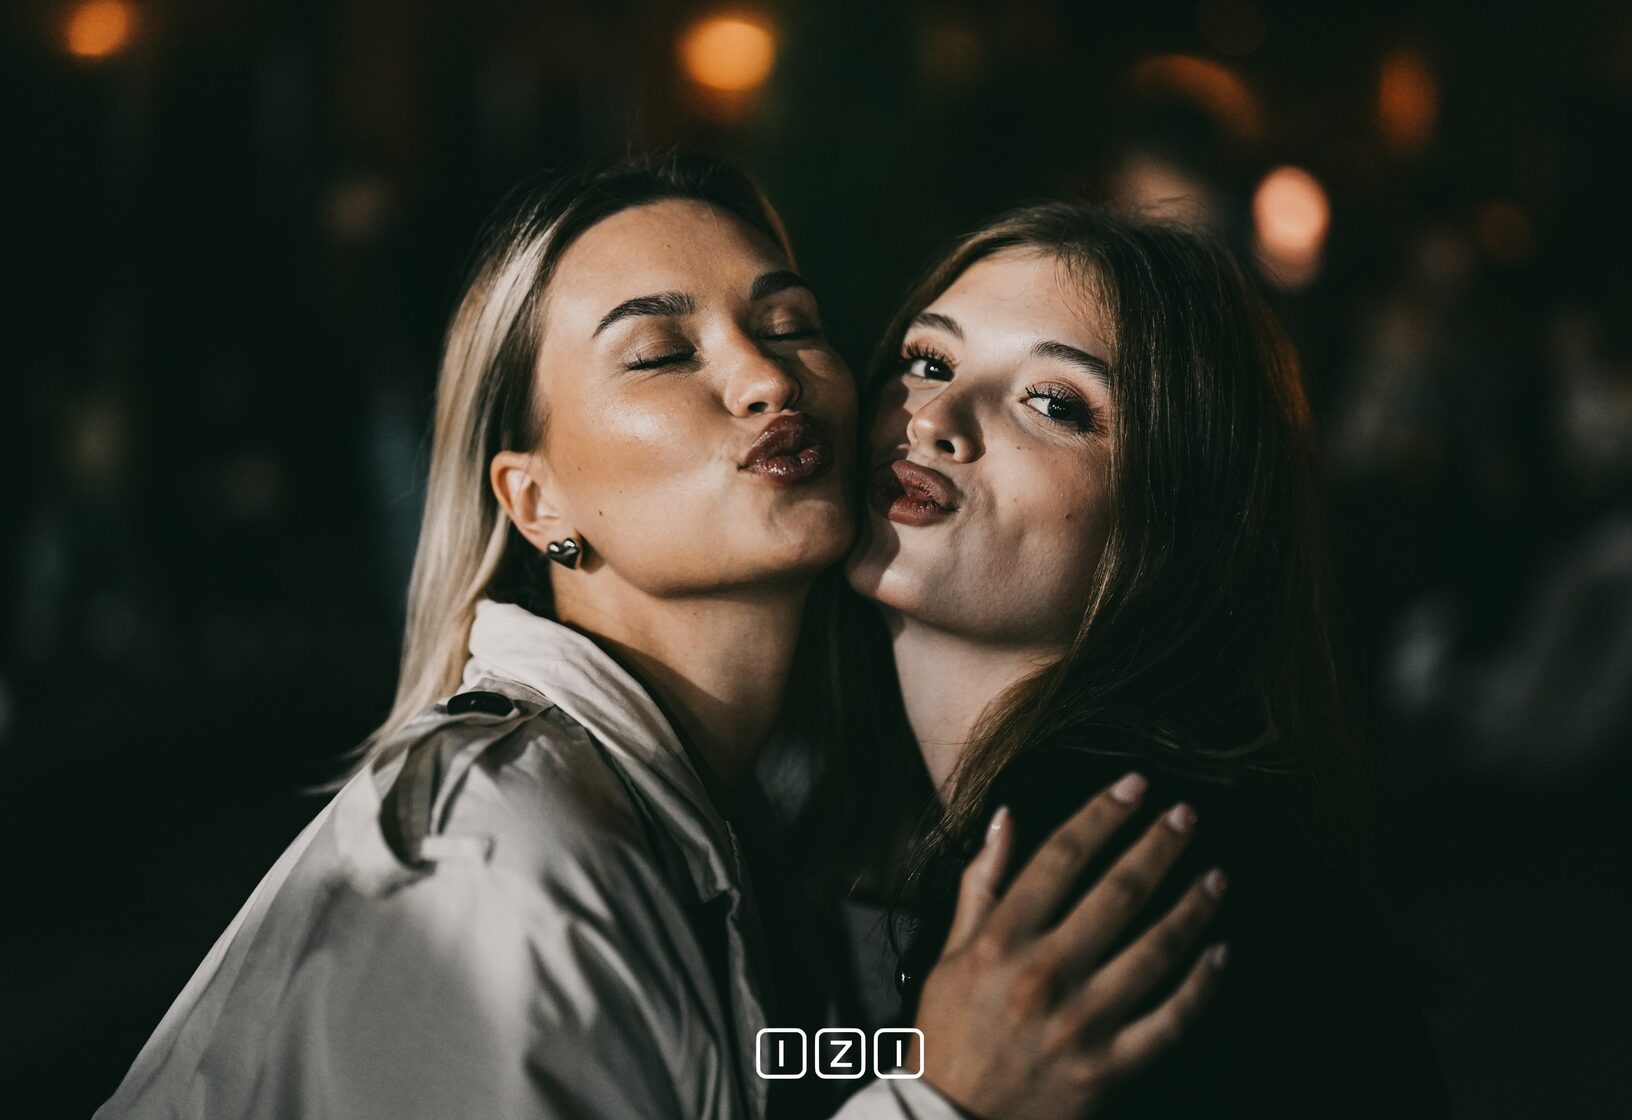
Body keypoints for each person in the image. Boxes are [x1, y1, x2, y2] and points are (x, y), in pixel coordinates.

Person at [96, 157, 1225, 1120]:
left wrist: (910, 1056)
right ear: (536, 501)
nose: (766, 377)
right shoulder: (494, 854)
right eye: (659, 353)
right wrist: (939, 1101)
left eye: (790, 325)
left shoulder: (737, 829)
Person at [841, 203, 1453, 1117]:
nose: (933, 418)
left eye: (1054, 403)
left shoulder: (1097, 869)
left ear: (1175, 518)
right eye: (929, 360)